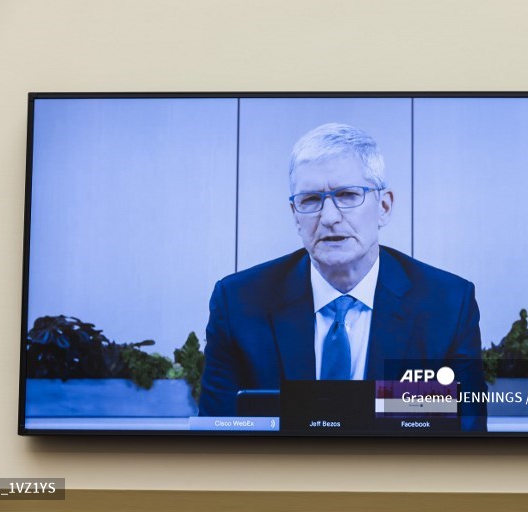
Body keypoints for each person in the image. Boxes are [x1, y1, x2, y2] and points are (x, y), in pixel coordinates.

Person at [199, 123, 486, 430]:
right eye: (310, 200)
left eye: (348, 195)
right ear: (295, 215)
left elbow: (465, 432)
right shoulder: (238, 303)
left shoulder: (448, 304)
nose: (330, 217)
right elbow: (217, 436)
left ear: (384, 207)